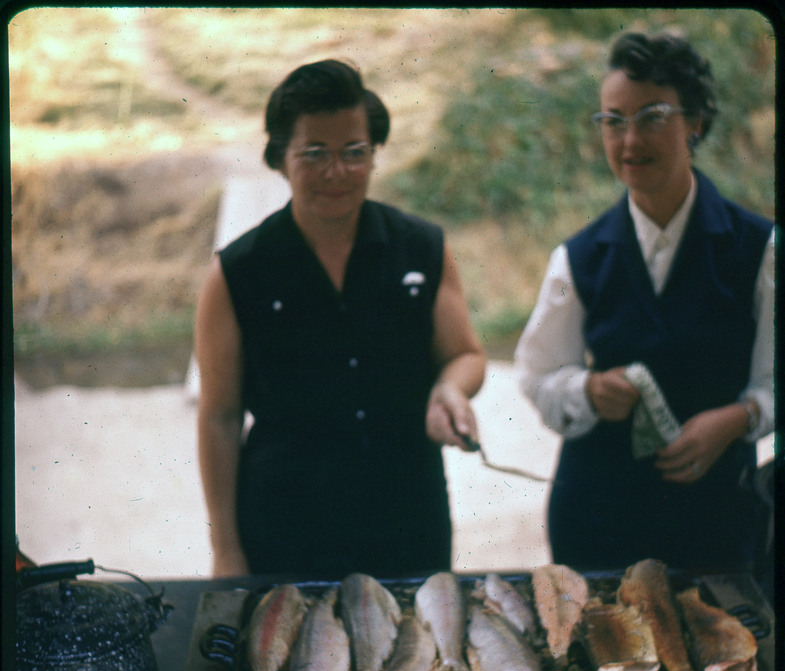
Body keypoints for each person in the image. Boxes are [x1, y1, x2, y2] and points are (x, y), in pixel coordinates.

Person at [195, 60, 486, 579]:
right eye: (315, 154)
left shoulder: (422, 248)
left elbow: (465, 354)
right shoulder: (237, 272)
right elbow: (219, 417)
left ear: (374, 154)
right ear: (280, 159)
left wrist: (450, 390)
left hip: (408, 520)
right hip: (285, 527)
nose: (337, 172)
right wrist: (226, 550)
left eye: (355, 153)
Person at [515, 33, 774, 574]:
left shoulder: (759, 250)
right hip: (596, 522)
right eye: (613, 120)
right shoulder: (578, 256)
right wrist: (587, 388)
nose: (630, 140)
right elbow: (538, 377)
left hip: (715, 519)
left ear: (696, 122)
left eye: (652, 117)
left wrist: (737, 417)